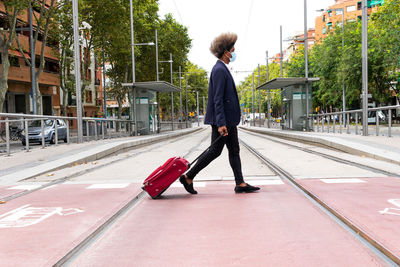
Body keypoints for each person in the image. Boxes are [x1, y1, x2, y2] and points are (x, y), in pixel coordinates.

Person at [179, 32, 260, 194]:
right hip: (222, 121)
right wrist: (221, 123)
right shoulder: (219, 70)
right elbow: (218, 99)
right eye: (233, 49)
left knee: (234, 150)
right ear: (226, 52)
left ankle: (240, 183)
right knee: (215, 151)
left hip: (229, 120)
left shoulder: (222, 69)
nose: (234, 53)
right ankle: (188, 176)